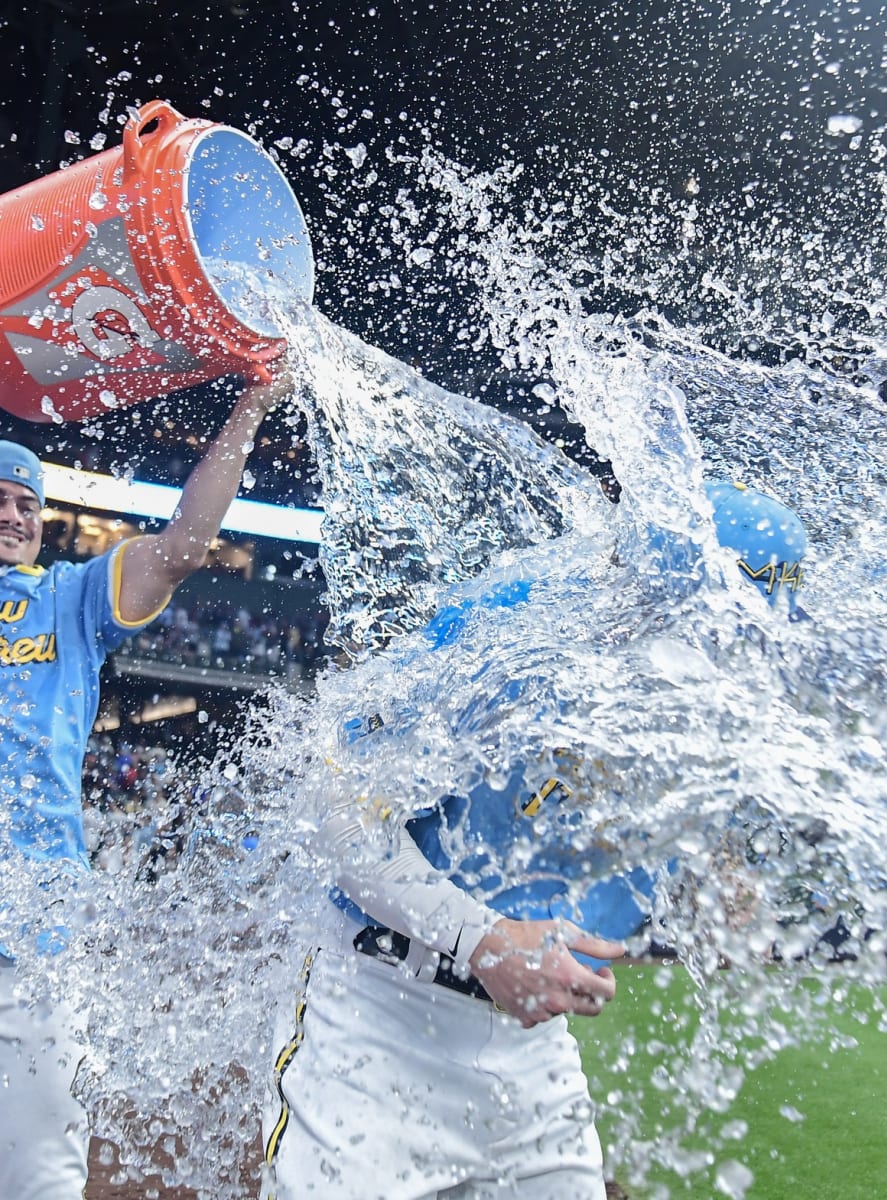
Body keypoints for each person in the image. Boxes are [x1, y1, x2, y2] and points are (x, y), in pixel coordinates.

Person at [260, 481, 808, 1200]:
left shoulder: (715, 705)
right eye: (713, 630)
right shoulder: (507, 627)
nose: (727, 656)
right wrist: (482, 939)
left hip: (531, 1043)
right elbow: (338, 808)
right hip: (377, 1014)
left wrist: (720, 884)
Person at [0, 368, 291, 1200]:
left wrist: (250, 410)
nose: (14, 514)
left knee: (41, 1174)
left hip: (34, 930)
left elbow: (183, 547)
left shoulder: (70, 598)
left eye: (26, 502)